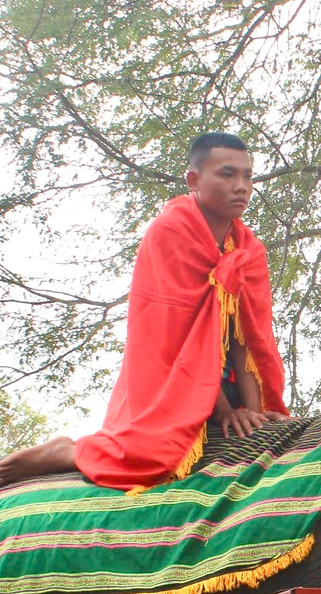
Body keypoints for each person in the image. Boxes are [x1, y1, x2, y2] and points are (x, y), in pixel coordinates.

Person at [0, 132, 289, 491]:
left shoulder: (249, 249)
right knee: (152, 460)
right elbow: (181, 339)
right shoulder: (171, 231)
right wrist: (224, 412)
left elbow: (249, 336)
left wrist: (252, 411)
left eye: (248, 176)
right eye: (227, 175)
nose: (242, 186)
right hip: (172, 380)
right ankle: (66, 453)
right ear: (194, 180)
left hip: (227, 379)